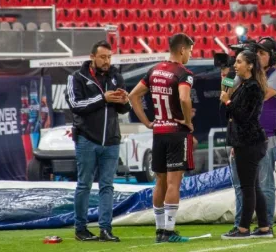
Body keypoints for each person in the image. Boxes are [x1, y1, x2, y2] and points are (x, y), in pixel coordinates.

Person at [128, 33, 195, 243]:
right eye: (190, 51)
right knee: (175, 182)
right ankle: (169, 231)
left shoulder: (154, 70)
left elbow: (133, 96)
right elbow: (184, 98)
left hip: (158, 132)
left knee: (160, 182)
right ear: (182, 50)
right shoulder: (183, 73)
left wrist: (147, 122)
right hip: (176, 132)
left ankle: (159, 231)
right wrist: (187, 120)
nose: (190, 55)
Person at [65, 40, 131, 242]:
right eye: (103, 57)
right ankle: (80, 228)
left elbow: (122, 110)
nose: (107, 61)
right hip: (87, 139)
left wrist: (124, 101)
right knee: (84, 185)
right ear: (92, 57)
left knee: (107, 186)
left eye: (109, 57)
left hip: (111, 140)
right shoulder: (76, 77)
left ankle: (105, 229)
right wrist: (103, 98)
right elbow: (76, 104)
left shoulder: (116, 76)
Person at [224, 37, 276, 237]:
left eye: (262, 54)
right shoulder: (245, 81)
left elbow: (247, 103)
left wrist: (229, 99)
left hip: (262, 136)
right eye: (256, 53)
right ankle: (246, 224)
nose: (259, 57)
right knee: (245, 186)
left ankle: (263, 223)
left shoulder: (273, 76)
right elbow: (228, 94)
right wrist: (225, 76)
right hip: (242, 138)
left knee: (263, 185)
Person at [220, 50, 271, 239]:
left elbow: (243, 116)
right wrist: (224, 91)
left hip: (250, 142)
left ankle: (243, 228)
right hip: (244, 141)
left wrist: (228, 102)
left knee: (247, 187)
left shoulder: (253, 88)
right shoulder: (242, 85)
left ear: (250, 65)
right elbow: (226, 113)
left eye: (239, 62)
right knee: (253, 186)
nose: (235, 65)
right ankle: (264, 227)